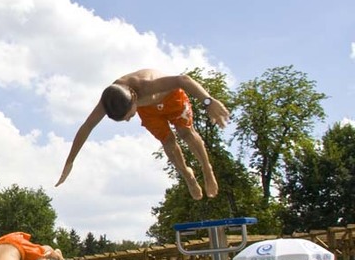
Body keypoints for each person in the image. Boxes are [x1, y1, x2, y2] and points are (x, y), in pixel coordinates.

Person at [56, 69, 230, 200]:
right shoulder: (109, 99)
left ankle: (207, 169)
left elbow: (183, 79)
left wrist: (208, 102)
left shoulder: (146, 85)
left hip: (171, 98)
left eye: (128, 116)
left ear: (133, 98)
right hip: (148, 110)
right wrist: (70, 161)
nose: (128, 120)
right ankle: (188, 176)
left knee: (185, 133)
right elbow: (87, 127)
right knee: (167, 141)